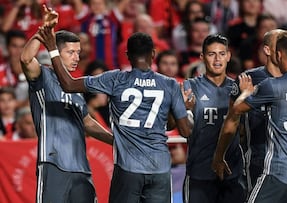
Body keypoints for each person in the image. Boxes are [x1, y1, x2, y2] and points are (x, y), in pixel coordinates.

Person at [37, 14, 193, 202]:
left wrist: (53, 50)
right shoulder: (170, 85)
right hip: (159, 169)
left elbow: (69, 85)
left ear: (127, 56)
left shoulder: (115, 79)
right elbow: (182, 130)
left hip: (128, 168)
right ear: (153, 54)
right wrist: (183, 109)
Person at [212, 30, 287, 203]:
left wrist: (246, 93)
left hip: (277, 169)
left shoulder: (272, 85)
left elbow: (235, 111)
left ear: (279, 54)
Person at [20, 6, 113, 203]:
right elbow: (26, 59)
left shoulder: (75, 87)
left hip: (81, 168)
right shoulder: (42, 76)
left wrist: (116, 142)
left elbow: (87, 122)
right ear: (55, 51)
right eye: (71, 52)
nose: (76, 58)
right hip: (52, 164)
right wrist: (43, 31)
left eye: (78, 52)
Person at [182, 34, 246, 203]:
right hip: (200, 173)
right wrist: (185, 111)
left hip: (232, 173)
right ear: (202, 57)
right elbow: (183, 129)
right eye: (211, 54)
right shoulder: (190, 87)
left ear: (229, 56)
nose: (217, 59)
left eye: (222, 53)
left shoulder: (238, 89)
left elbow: (245, 131)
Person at [231, 29, 283, 194]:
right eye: (279, 45)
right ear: (267, 50)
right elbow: (231, 119)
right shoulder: (247, 79)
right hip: (257, 157)